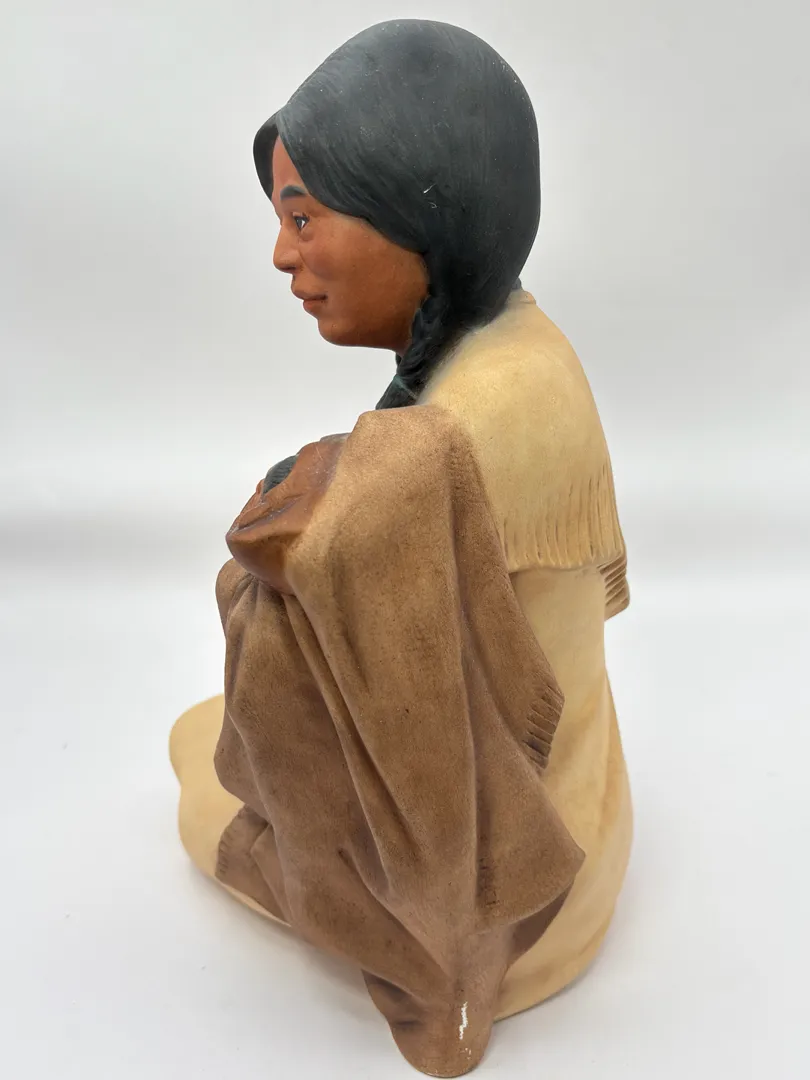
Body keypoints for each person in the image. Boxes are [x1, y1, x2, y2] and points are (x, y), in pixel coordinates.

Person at [171, 18, 632, 1076]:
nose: (282, 255)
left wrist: (272, 562)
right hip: (590, 799)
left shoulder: (452, 442)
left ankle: (445, 978)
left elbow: (342, 692)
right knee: (199, 735)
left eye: (305, 217)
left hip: (517, 899)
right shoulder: (525, 343)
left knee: (196, 783)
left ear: (421, 216)